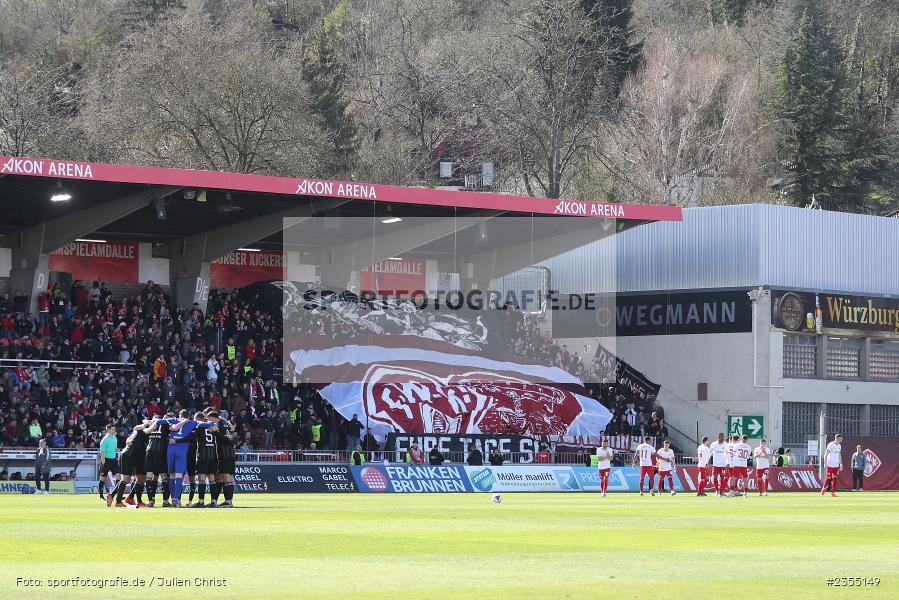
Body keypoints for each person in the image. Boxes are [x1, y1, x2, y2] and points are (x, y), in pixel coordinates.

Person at [98, 424, 119, 501]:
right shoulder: (104, 440)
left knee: (118, 477)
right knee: (103, 479)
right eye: (113, 429)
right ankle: (101, 496)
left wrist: (116, 449)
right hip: (106, 461)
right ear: (108, 430)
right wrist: (103, 463)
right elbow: (102, 452)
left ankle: (116, 495)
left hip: (113, 460)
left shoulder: (115, 438)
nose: (114, 430)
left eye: (114, 429)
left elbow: (114, 447)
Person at [709, 433, 729, 498]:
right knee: (715, 477)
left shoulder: (726, 444)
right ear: (718, 437)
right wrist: (706, 462)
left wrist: (728, 463)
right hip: (715, 465)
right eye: (721, 437)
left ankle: (720, 492)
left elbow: (728, 454)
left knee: (722, 479)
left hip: (723, 465)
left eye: (723, 437)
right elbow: (709, 453)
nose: (722, 438)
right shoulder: (713, 444)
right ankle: (717, 491)